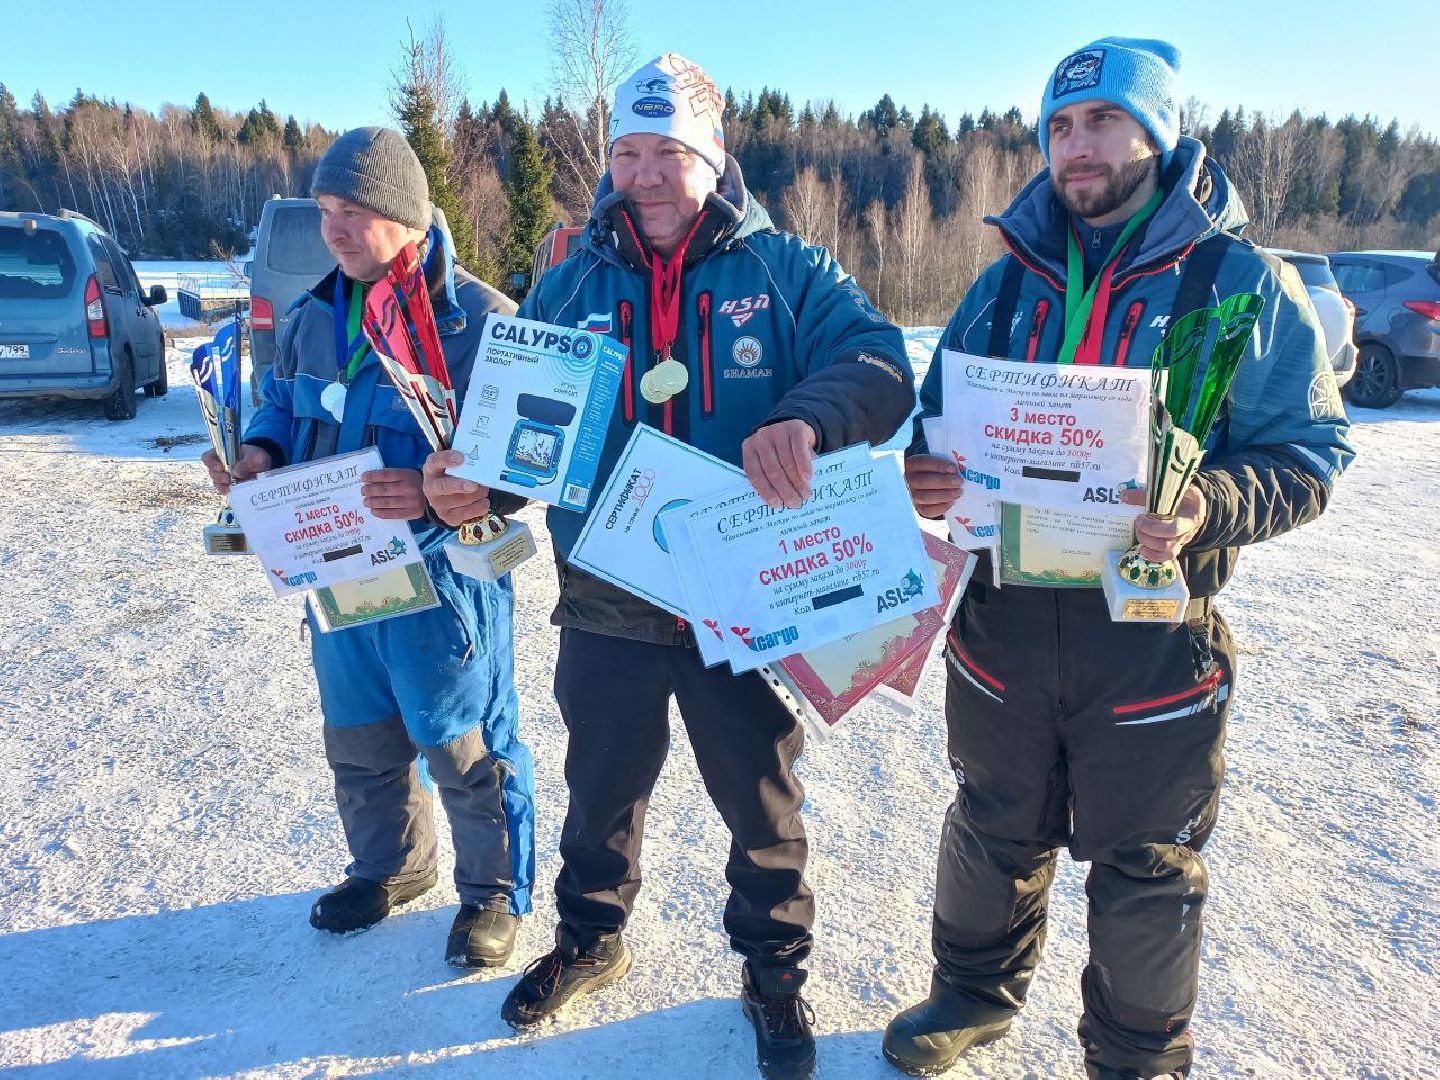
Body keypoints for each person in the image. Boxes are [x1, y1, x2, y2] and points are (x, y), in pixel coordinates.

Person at [423, 53, 913, 1080]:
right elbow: (519, 440)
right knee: (601, 782)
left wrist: (805, 418)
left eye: (669, 153)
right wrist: (477, 487)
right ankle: (591, 936)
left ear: (714, 155)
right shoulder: (569, 280)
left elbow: (878, 363)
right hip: (609, 593)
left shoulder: (784, 270)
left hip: (743, 597)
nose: (644, 175)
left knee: (761, 797)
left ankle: (773, 970)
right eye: (627, 153)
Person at [884, 38, 1354, 1080]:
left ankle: (1137, 1057)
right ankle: (971, 993)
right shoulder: (1004, 286)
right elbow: (938, 422)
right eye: (1059, 126)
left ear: (1160, 134)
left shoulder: (1241, 285)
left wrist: (1208, 504)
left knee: (1146, 861)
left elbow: (1311, 453)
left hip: (1148, 629)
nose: (1076, 145)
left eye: (1102, 120)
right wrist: (927, 471)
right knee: (993, 822)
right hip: (1003, 622)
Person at [201, 127, 536, 969]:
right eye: (324, 211)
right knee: (360, 736)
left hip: (440, 579)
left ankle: (493, 892)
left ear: (407, 218)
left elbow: (524, 460)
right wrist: (259, 452)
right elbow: (281, 403)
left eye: (353, 211)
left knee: (462, 740)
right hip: (339, 571)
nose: (333, 230)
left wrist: (436, 491)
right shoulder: (315, 315)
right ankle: (391, 866)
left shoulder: (481, 321)